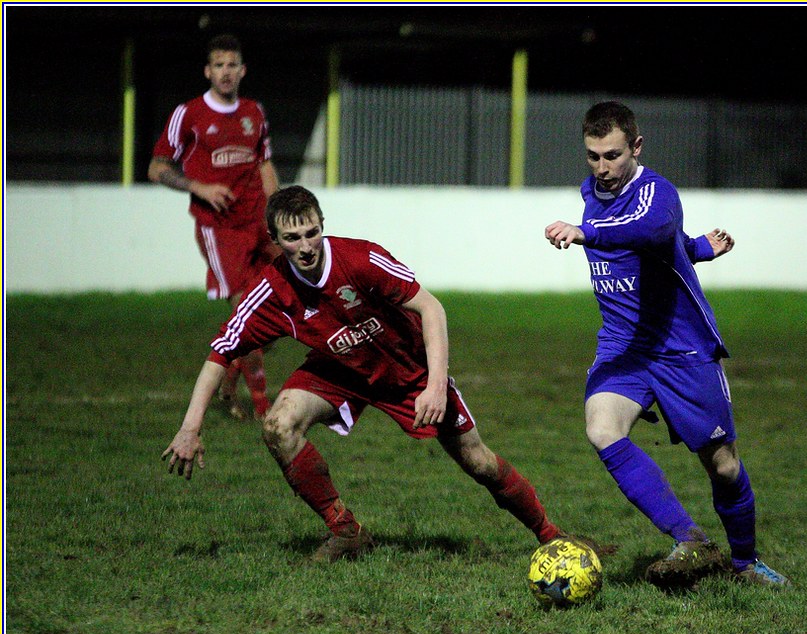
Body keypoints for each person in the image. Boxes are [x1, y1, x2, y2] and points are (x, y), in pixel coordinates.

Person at [162, 185, 564, 562]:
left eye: (311, 232)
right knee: (278, 426)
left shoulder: (360, 259)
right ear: (274, 240)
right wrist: (190, 427)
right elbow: (219, 353)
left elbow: (431, 308)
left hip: (407, 370)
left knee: (478, 462)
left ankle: (552, 537)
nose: (305, 247)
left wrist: (436, 386)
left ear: (322, 225)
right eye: (292, 238)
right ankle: (346, 529)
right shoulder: (271, 292)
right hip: (338, 370)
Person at [543, 101, 788, 588]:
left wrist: (586, 232)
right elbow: (662, 245)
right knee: (602, 429)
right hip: (623, 346)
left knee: (722, 465)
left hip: (681, 347)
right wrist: (695, 248)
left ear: (636, 147)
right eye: (592, 156)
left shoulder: (659, 193)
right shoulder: (592, 189)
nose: (602, 168)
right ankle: (690, 538)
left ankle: (744, 562)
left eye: (612, 155)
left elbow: (651, 229)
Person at [149, 33, 280, 419]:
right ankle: (262, 408)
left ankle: (227, 386)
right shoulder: (188, 114)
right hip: (221, 232)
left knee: (272, 317)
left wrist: (278, 213)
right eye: (218, 65)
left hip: (260, 225)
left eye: (232, 65)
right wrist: (198, 187)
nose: (225, 72)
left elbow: (264, 163)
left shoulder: (254, 112)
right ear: (208, 71)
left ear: (242, 70)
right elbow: (157, 168)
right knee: (247, 314)